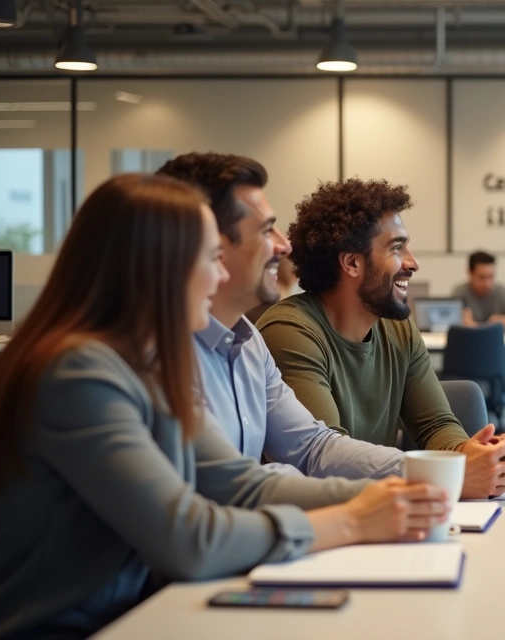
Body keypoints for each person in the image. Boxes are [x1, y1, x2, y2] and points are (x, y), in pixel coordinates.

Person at [0, 174, 449, 638]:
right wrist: (351, 520)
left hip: (137, 615)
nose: (222, 275)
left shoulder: (146, 366)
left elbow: (240, 485)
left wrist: (394, 500)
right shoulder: (78, 373)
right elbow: (189, 538)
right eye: (210, 258)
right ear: (157, 266)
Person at [256, 178, 505, 498]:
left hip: (388, 508)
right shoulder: (291, 331)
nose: (413, 263)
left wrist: (470, 454)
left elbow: (435, 426)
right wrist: (445, 475)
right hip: (331, 516)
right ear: (352, 262)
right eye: (396, 248)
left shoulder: (399, 329)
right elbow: (324, 459)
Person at [157, 153, 408, 480]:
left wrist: (424, 472)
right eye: (266, 231)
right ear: (205, 244)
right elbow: (237, 490)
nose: (284, 246)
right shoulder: (156, 355)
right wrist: (379, 502)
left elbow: (310, 448)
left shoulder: (248, 341)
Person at [454, 250, 505, 329]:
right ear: (470, 274)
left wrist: (500, 321)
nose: (487, 284)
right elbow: (450, 321)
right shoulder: (459, 293)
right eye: (482, 277)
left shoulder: (503, 292)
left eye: (491, 277)